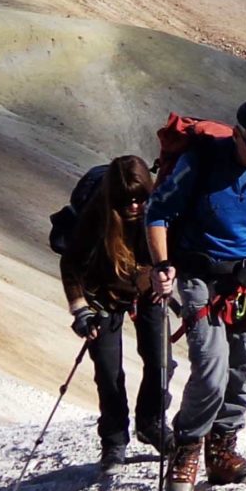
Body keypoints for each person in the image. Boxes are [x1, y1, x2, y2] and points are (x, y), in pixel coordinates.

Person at [147, 97, 246, 491]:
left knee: (243, 366)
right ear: (238, 136)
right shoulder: (200, 161)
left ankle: (224, 449)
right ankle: (189, 445)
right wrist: (163, 264)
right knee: (212, 368)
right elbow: (158, 213)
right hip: (200, 276)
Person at [57, 155, 173, 472]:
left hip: (148, 291)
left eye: (139, 199)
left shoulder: (160, 213)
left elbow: (173, 253)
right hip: (101, 297)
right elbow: (71, 264)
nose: (134, 206)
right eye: (126, 201)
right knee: (108, 372)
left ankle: (150, 422)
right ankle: (114, 441)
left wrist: (165, 276)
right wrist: (79, 309)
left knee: (161, 361)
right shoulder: (95, 217)